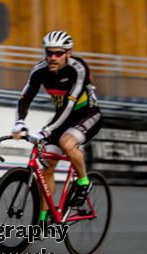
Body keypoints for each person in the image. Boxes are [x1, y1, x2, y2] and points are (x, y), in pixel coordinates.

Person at [12, 31, 102, 219]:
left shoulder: (78, 69)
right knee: (48, 165)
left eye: (58, 53)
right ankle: (43, 218)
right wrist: (19, 122)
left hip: (87, 113)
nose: (52, 57)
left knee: (67, 143)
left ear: (68, 54)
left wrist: (45, 131)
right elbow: (25, 98)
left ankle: (84, 182)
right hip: (63, 117)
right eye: (49, 52)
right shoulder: (39, 70)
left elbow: (69, 105)